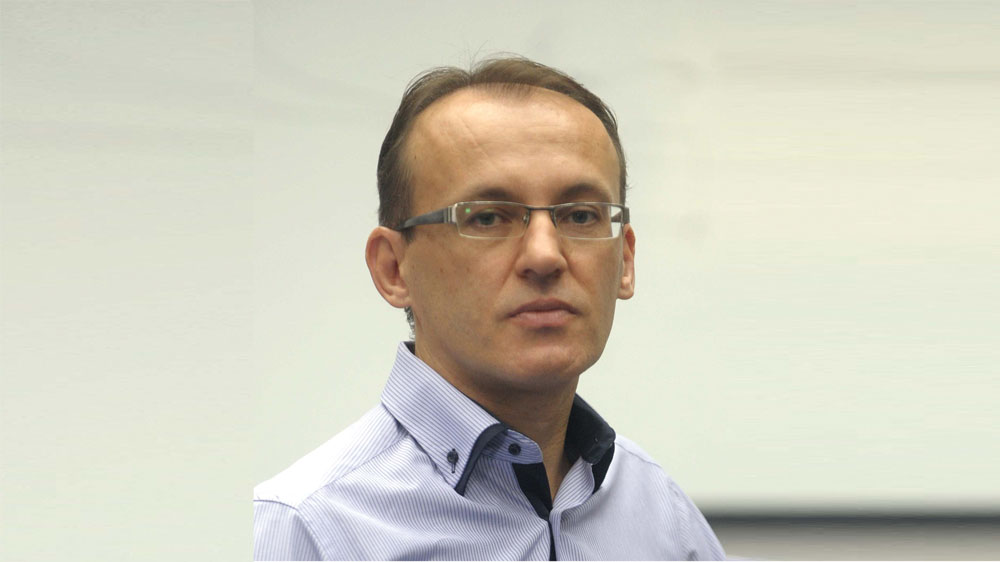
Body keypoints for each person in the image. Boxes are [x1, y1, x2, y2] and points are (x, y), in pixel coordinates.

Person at [253, 56, 725, 561]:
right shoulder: (307, 530)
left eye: (581, 215)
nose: (545, 255)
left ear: (625, 262)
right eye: (486, 218)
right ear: (393, 269)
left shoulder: (665, 521)